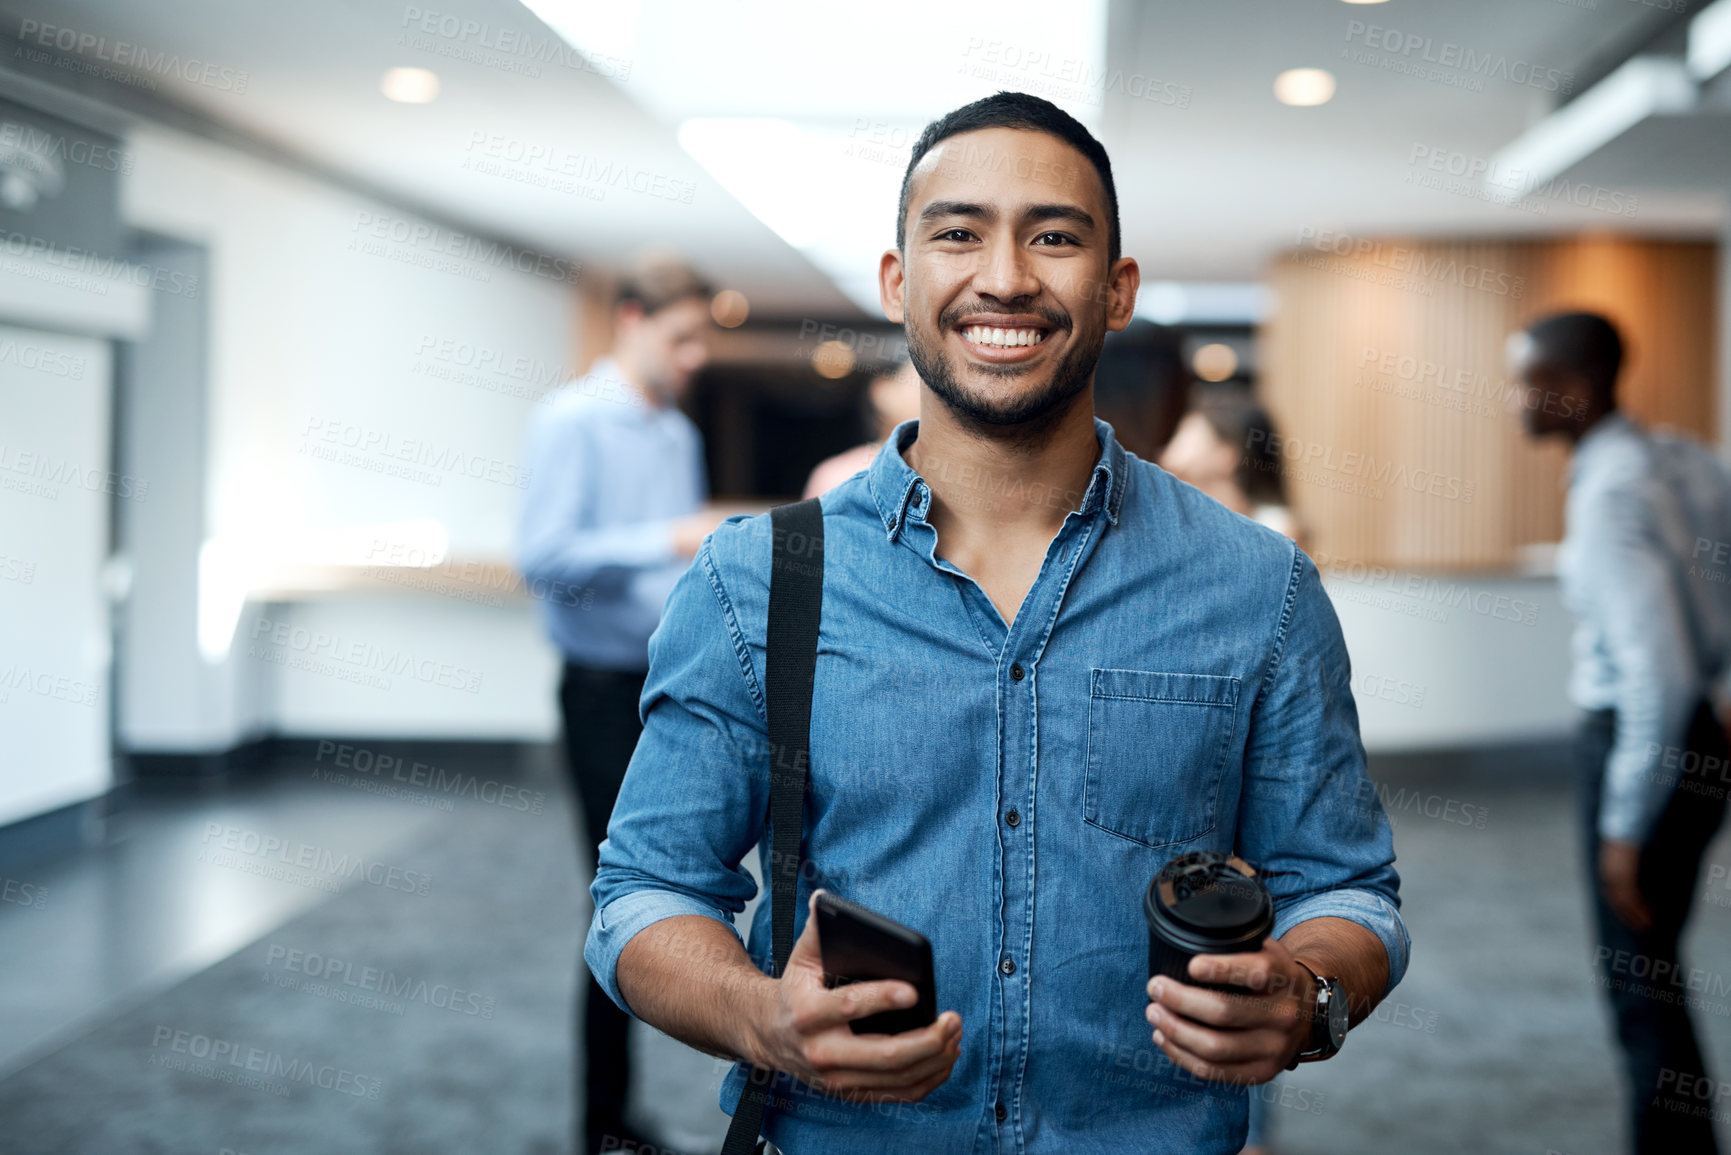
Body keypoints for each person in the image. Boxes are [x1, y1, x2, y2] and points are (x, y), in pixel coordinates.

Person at [586, 92, 1409, 1153]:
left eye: (1054, 236)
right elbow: (643, 890)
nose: (1007, 275)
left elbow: (1345, 888)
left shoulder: (1258, 587)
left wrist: (1311, 994)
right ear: (899, 283)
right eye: (958, 233)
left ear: (1116, 291)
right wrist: (762, 1019)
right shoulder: (760, 579)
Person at [516, 254, 733, 1155]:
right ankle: (601, 1123)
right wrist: (669, 537)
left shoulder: (675, 433)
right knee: (619, 901)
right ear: (631, 319)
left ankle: (620, 1117)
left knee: (667, 891)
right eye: (680, 339)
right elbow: (544, 555)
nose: (691, 358)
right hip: (601, 691)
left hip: (664, 689)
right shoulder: (571, 420)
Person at [1510, 311, 1731, 1155]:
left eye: (1525, 379)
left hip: (1643, 747)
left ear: (1572, 387)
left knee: (1640, 986)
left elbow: (1656, 674)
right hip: (1696, 734)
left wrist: (1621, 827)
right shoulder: (1676, 457)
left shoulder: (1609, 491)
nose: (1514, 399)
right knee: (1656, 968)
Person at [1159, 383, 1305, 550]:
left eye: (1181, 435)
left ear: (1227, 456)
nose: (1169, 446)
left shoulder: (1276, 528)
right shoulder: (1175, 516)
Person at [803, 358, 922, 498]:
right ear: (881, 389)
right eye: (919, 384)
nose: (929, 399)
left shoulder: (941, 472)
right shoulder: (839, 475)